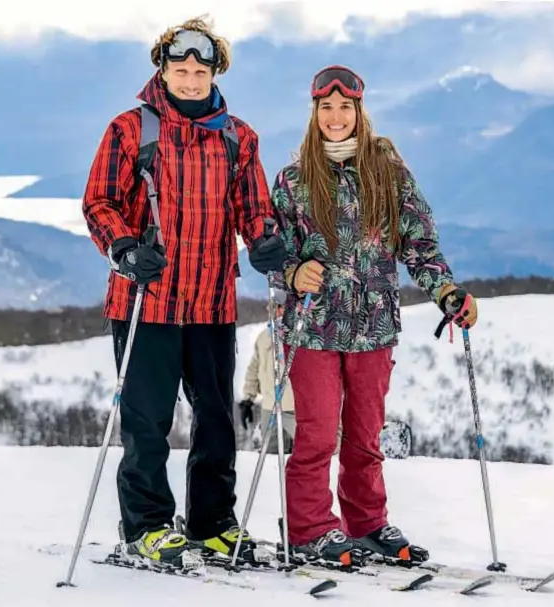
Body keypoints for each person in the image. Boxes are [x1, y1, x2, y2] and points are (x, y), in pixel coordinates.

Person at [82, 17, 286, 566]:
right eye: (181, 69)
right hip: (146, 298)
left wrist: (265, 240)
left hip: (212, 300)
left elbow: (254, 209)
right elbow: (99, 202)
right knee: (147, 419)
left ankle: (213, 522)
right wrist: (124, 248)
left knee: (216, 416)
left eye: (201, 69)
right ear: (163, 69)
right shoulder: (131, 130)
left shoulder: (238, 136)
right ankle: (147, 526)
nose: (192, 79)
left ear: (215, 71)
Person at [270, 65, 478, 565]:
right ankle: (310, 530)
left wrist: (445, 290)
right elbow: (270, 248)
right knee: (318, 435)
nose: (336, 116)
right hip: (313, 326)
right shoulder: (294, 180)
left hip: (375, 325)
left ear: (360, 112)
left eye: (346, 107)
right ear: (314, 112)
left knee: (365, 437)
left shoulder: (389, 172)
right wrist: (294, 271)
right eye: (326, 107)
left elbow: (419, 243)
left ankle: (366, 523)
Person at [238, 290, 296, 454]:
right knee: (270, 459)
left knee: (305, 458)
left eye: (273, 307)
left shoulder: (299, 337)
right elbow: (254, 368)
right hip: (270, 409)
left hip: (296, 410)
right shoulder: (264, 337)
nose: (267, 310)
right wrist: (248, 399)